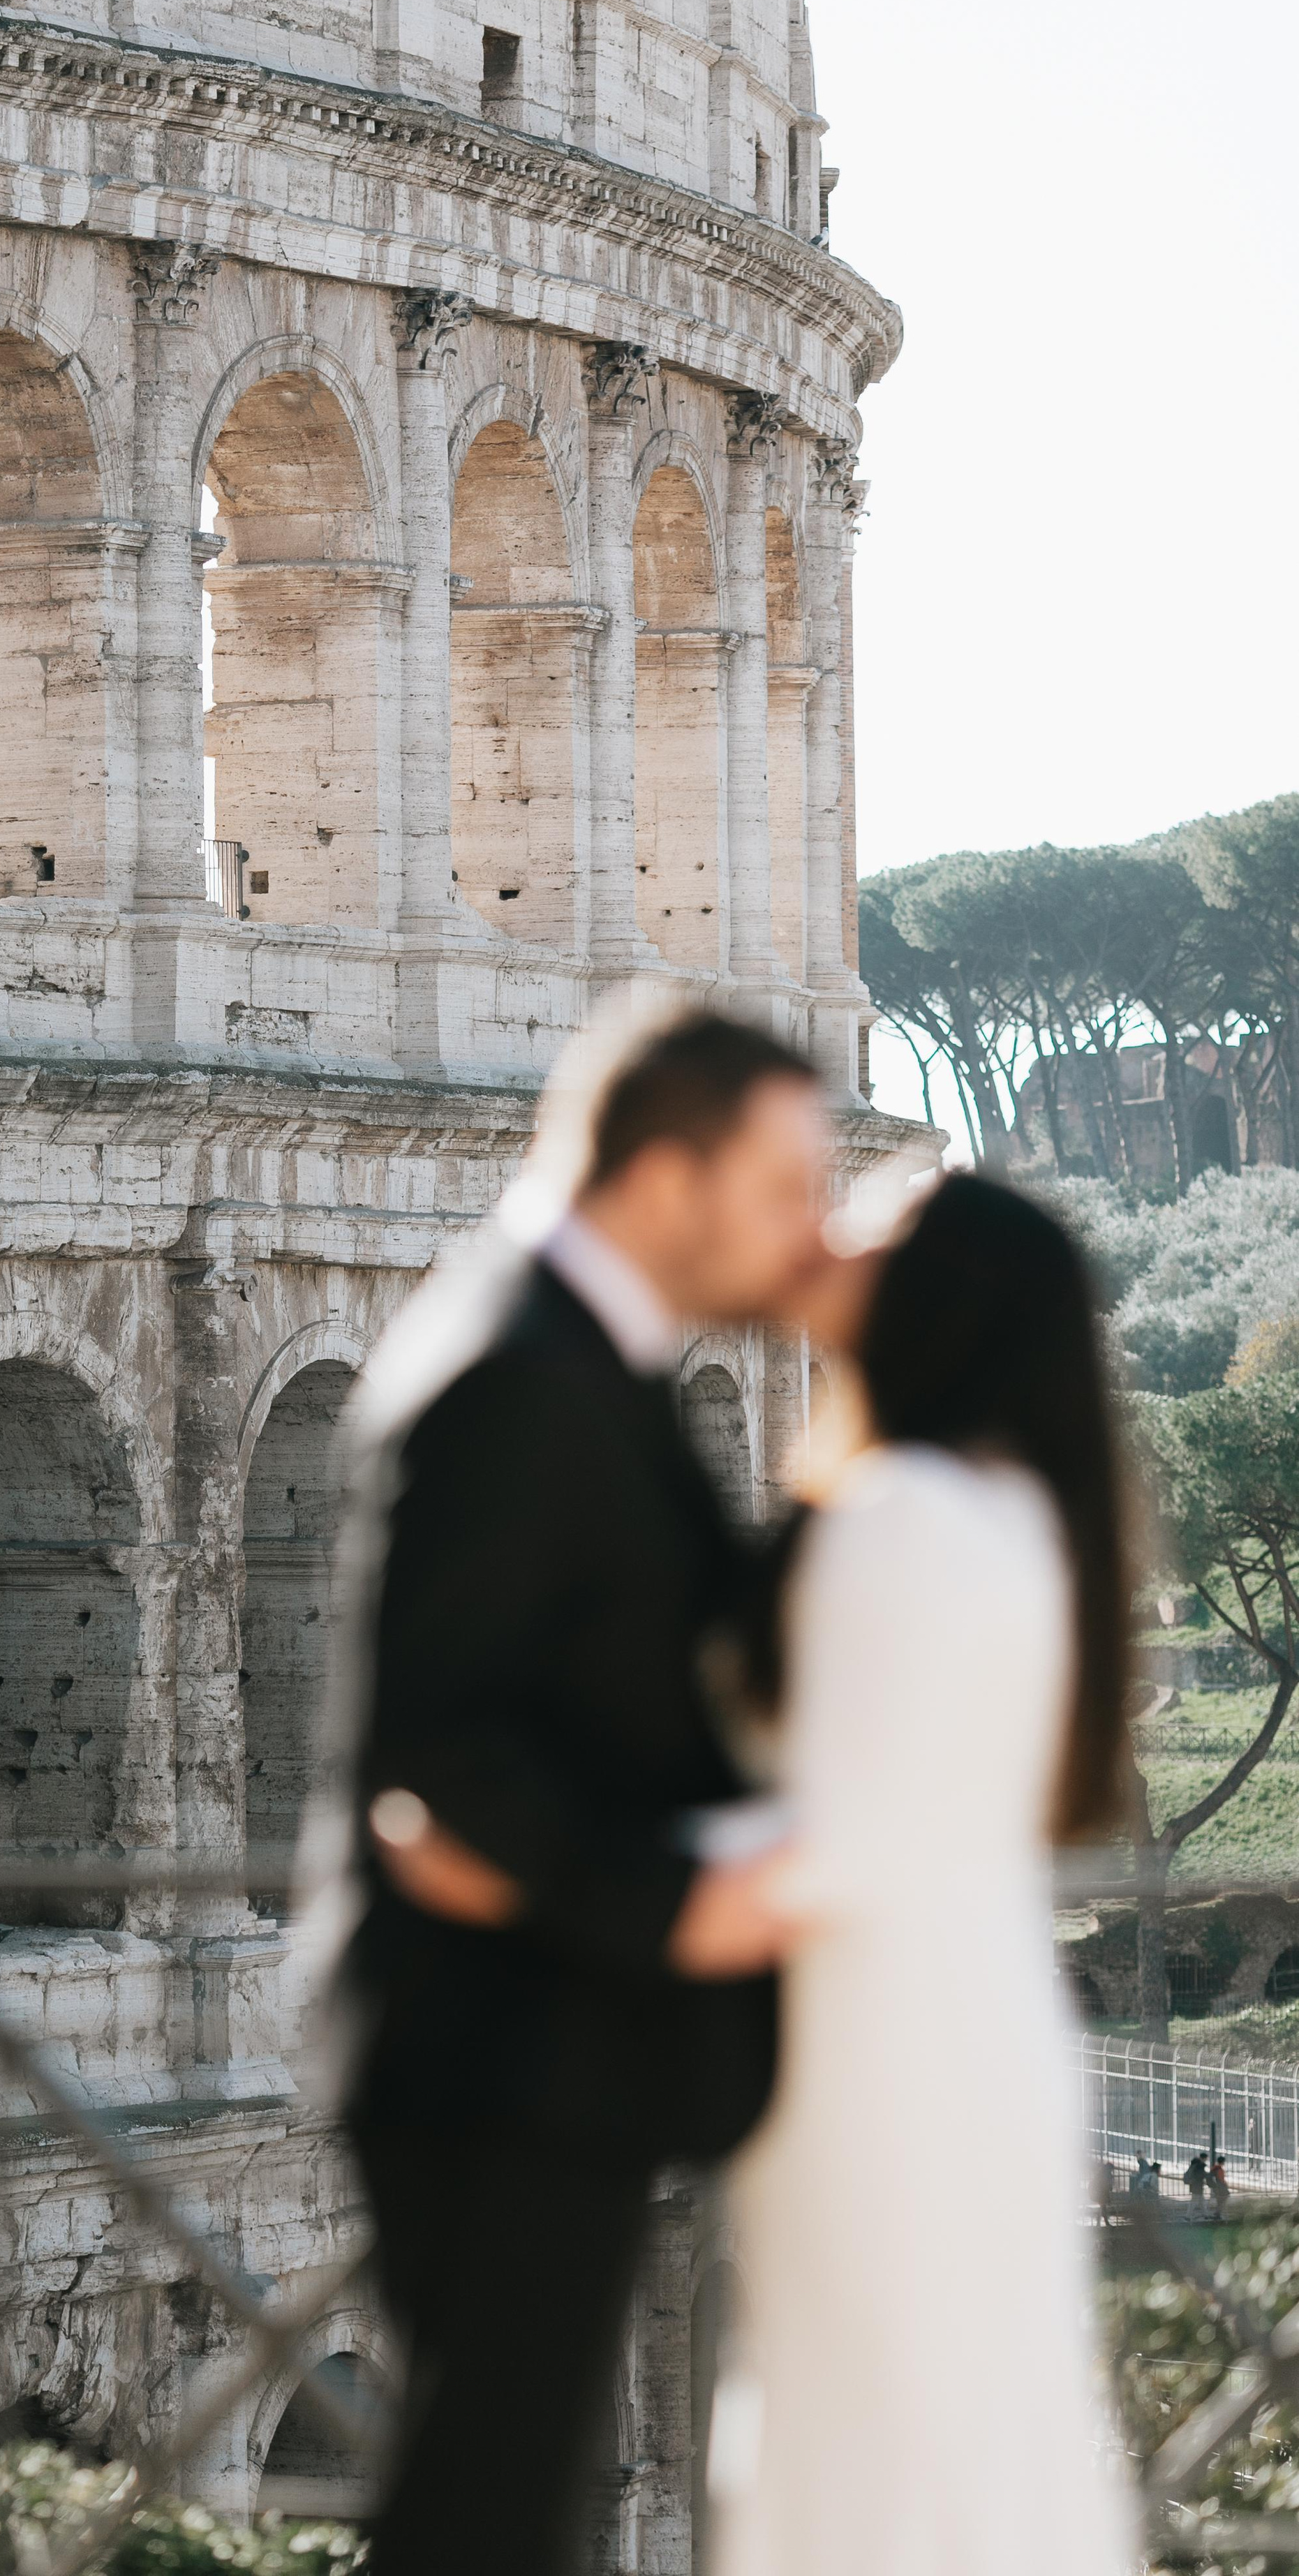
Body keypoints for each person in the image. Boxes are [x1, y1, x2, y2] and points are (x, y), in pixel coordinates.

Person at [316, 1008, 828, 2576]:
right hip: (497, 2048)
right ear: (671, 1172)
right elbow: (440, 1759)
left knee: (496, 2516)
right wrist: (683, 1900)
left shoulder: (570, 1351)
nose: (805, 1231)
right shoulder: (516, 1373)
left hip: (536, 2034)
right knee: (482, 2522)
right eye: (783, 1187)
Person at [713, 1172, 1133, 2576]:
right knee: (952, 2442)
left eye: (868, 1231)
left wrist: (577, 1890)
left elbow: (844, 1839)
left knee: (873, 2450)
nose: (823, 1230)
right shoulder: (1010, 1510)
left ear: (936, 1305)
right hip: (963, 2018)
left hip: (880, 2045)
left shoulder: (897, 1514)